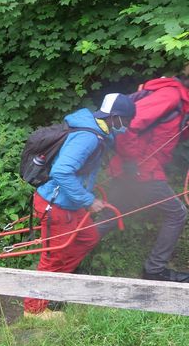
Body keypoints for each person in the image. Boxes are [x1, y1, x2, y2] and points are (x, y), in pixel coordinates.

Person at [23, 93, 136, 319]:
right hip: (55, 205)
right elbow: (61, 171)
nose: (128, 126)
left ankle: (56, 287)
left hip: (69, 204)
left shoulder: (97, 129)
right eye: (126, 121)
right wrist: (88, 200)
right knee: (53, 256)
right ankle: (34, 309)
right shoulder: (89, 137)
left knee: (88, 238)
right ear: (114, 117)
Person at [98, 69, 189, 282]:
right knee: (177, 213)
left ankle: (66, 257)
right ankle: (154, 270)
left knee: (110, 216)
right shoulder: (170, 96)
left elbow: (172, 131)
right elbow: (126, 126)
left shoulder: (180, 99)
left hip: (140, 168)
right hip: (140, 169)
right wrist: (132, 160)